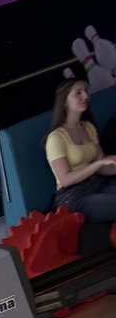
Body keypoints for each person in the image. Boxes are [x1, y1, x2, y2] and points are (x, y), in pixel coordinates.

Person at [44, 78, 116, 222]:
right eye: (78, 93)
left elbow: (103, 166)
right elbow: (65, 180)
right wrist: (97, 164)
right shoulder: (56, 137)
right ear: (65, 101)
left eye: (86, 91)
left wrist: (110, 164)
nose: (85, 96)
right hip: (72, 196)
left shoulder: (88, 127)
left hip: (97, 184)